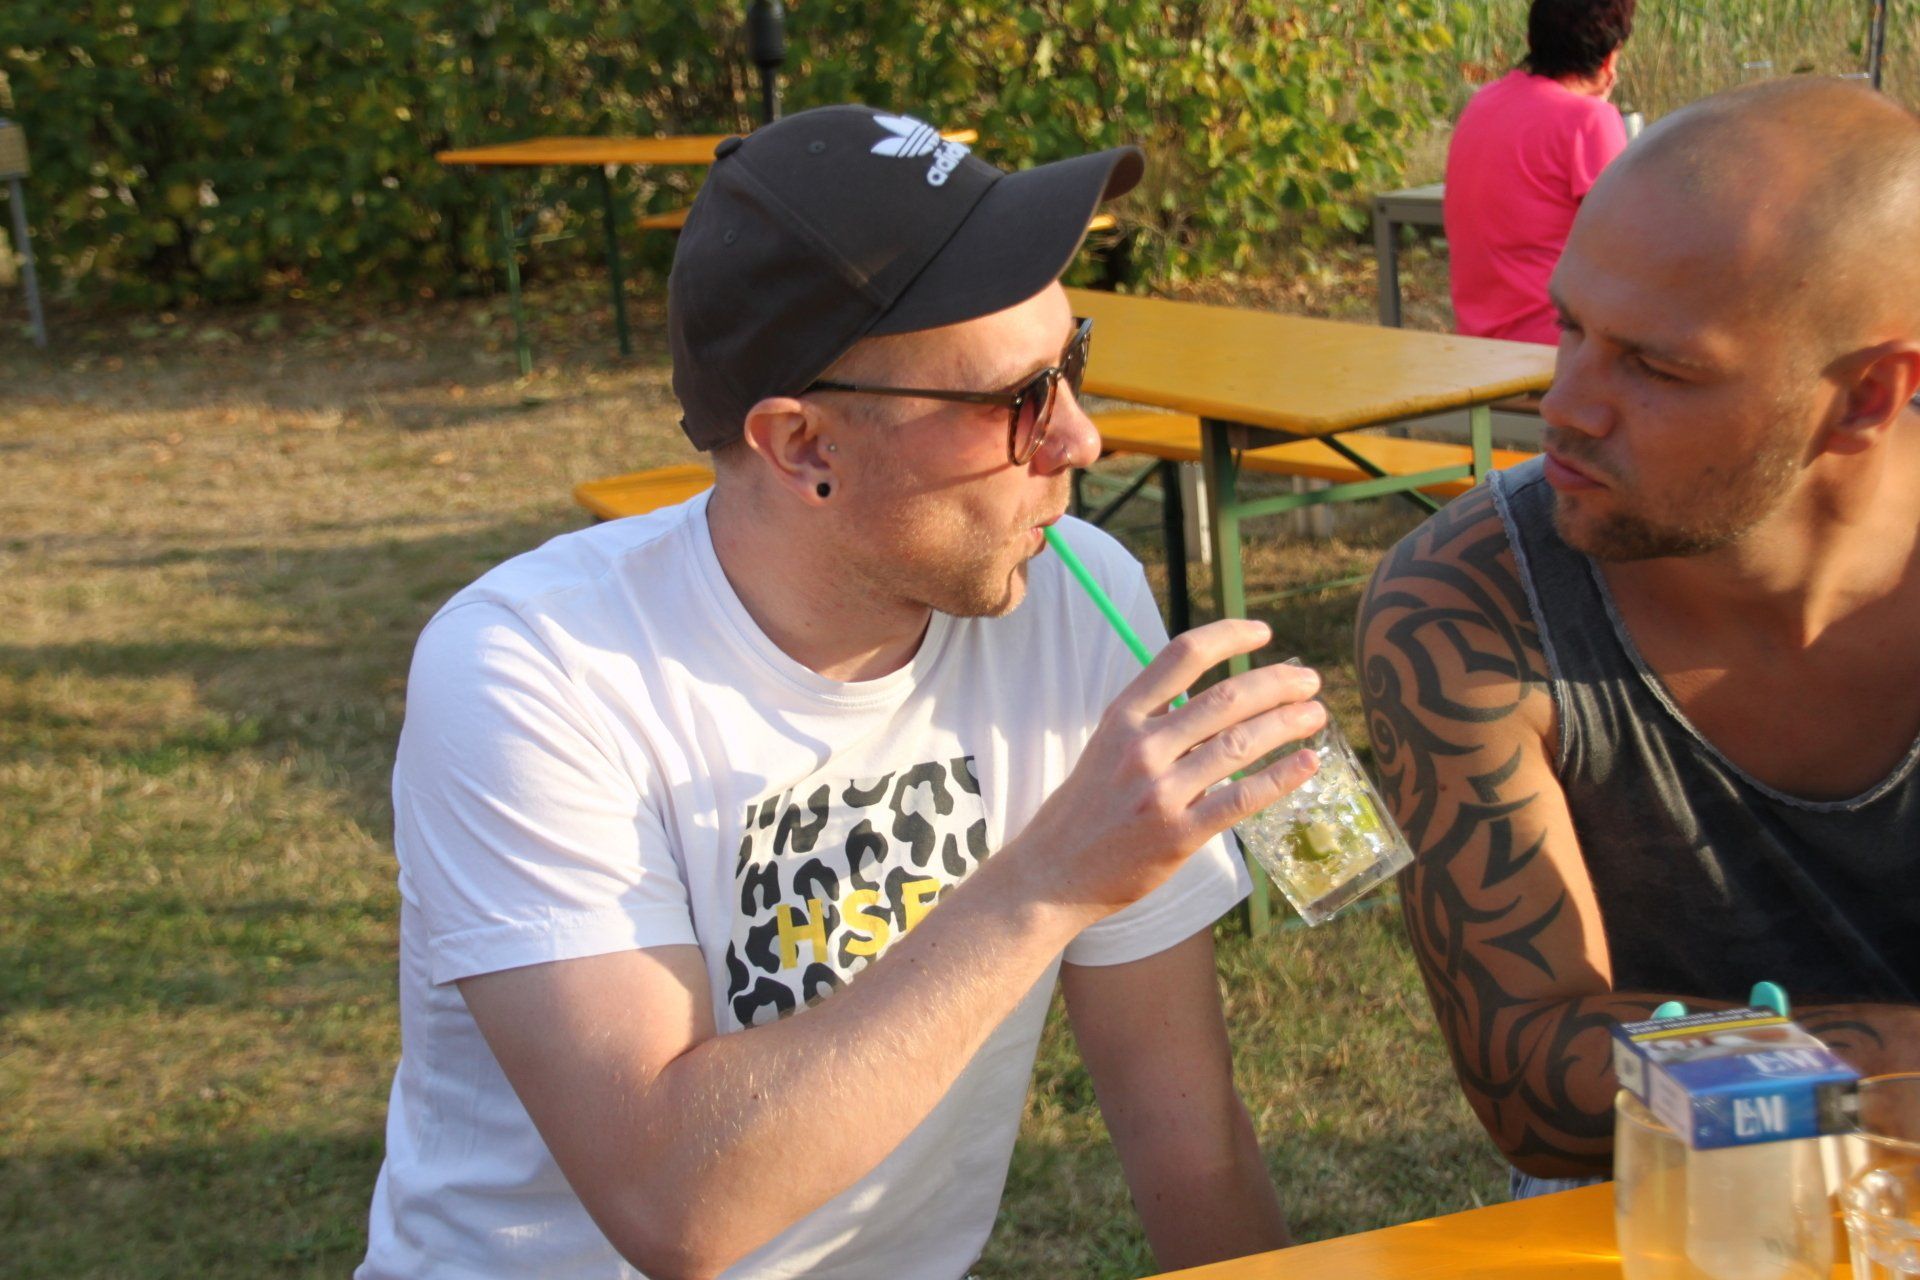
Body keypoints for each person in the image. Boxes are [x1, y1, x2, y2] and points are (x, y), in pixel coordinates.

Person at [356, 104, 1327, 1279]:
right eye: (1020, 400)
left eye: (1071, 361)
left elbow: (1185, 1126)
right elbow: (677, 1203)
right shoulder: (534, 668)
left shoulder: (1078, 596)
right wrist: (1050, 876)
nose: (1082, 439)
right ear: (804, 445)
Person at [1359, 76, 1920, 1200]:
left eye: (1658, 367)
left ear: (1866, 395)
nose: (1564, 406)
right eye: (1570, 326)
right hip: (1668, 1205)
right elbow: (1532, 1080)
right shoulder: (1471, 602)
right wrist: (1876, 1079)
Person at [1444, 0, 1634, 345]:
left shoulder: (1483, 102)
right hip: (1556, 347)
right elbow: (1628, 249)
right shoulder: (1588, 120)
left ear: (1532, 38)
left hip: (1477, 344)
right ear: (1610, 58)